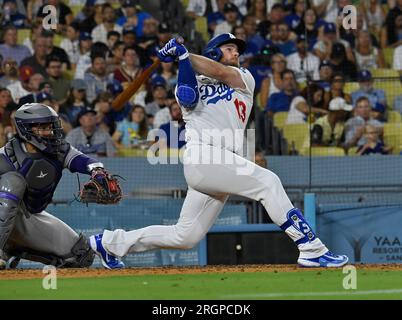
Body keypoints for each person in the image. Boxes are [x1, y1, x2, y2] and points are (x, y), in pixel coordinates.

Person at [89, 33, 349, 268]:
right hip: (204, 156)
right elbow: (188, 97)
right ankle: (311, 248)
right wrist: (183, 60)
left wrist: (183, 53)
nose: (236, 52)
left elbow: (222, 73)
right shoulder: (191, 79)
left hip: (222, 163)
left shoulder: (244, 78)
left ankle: (111, 243)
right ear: (213, 52)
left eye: (236, 49)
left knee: (184, 236)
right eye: (228, 48)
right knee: (268, 182)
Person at [0, 103, 122, 270]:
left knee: (81, 256)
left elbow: (85, 161)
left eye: (50, 126)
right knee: (13, 182)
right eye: (42, 127)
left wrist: (98, 172)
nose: (49, 131)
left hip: (30, 216)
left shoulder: (59, 149)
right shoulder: (4, 156)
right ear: (26, 129)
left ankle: (15, 247)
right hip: (6, 212)